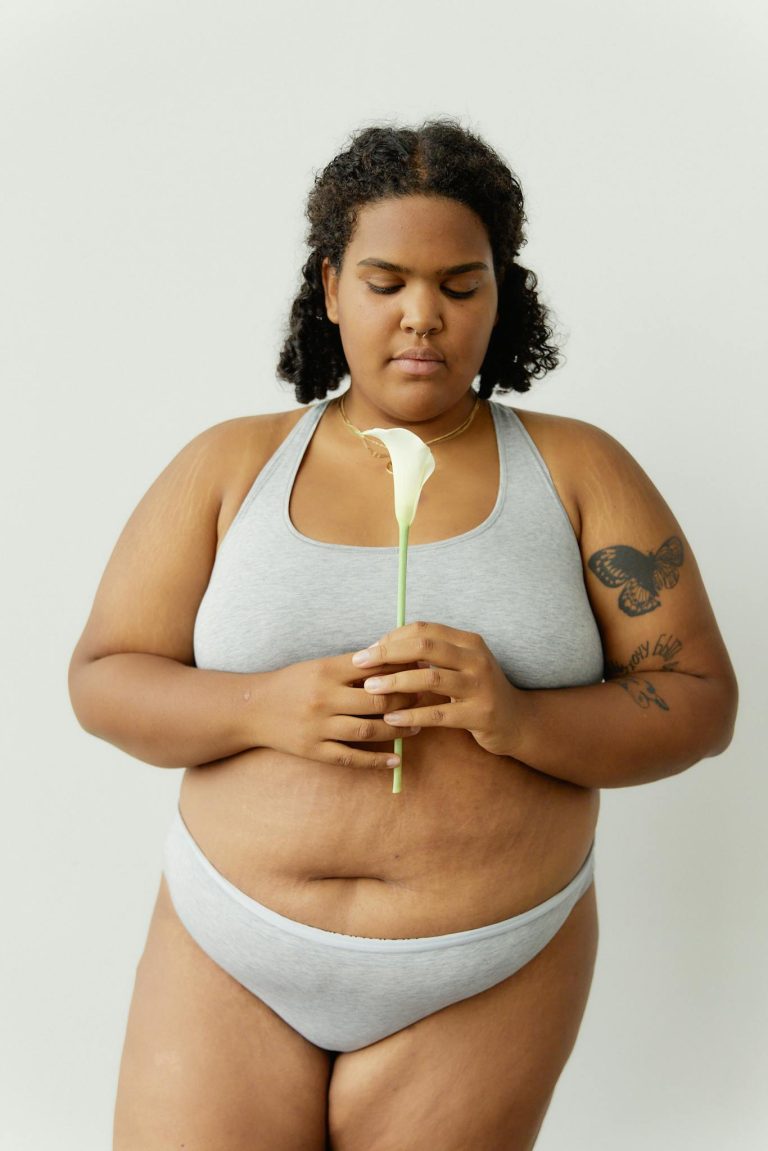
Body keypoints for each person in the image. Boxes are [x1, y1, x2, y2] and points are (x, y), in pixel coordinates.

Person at [68, 120, 738, 1151]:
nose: (424, 316)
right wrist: (264, 705)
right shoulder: (229, 464)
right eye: (386, 282)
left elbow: (700, 701)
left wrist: (516, 716)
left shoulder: (577, 469)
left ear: (498, 293)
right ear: (331, 287)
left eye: (461, 285)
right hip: (231, 947)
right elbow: (103, 678)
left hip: (487, 963)